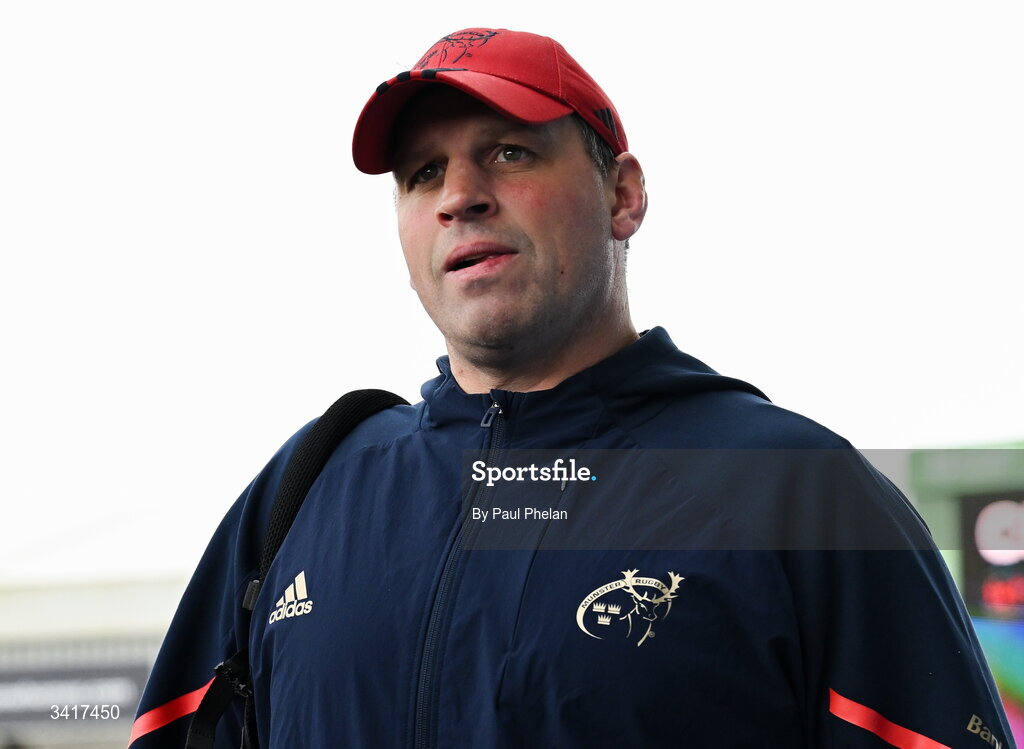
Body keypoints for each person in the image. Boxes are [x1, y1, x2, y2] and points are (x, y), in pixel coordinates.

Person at [130, 27, 1016, 749]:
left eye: (508, 152)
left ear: (623, 195)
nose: (459, 196)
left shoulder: (795, 491)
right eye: (423, 173)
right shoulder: (306, 490)